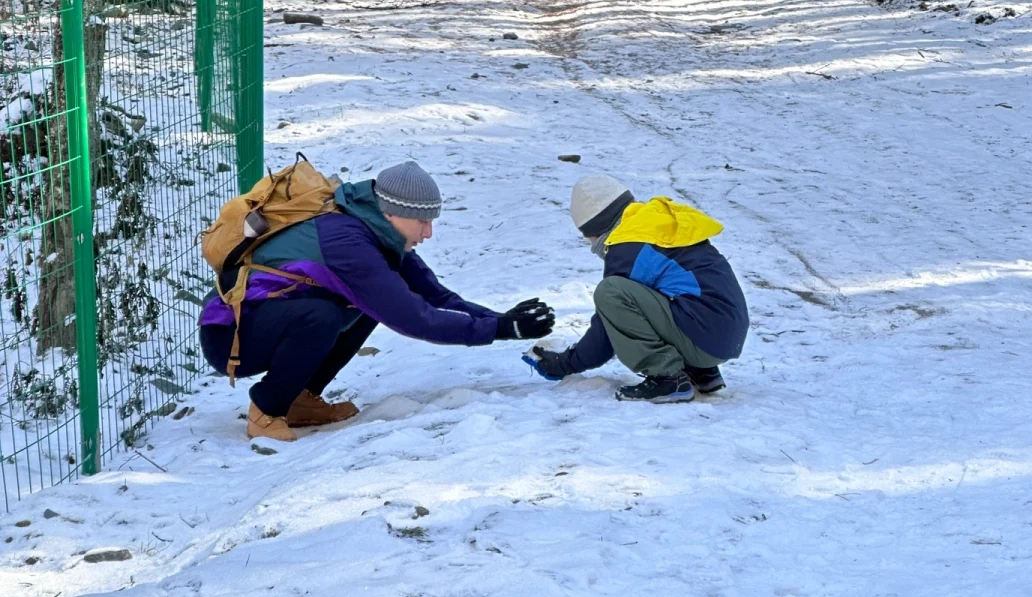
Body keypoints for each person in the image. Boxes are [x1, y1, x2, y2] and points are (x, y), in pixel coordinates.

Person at [200, 160, 554, 441]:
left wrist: (501, 319)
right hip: (231, 334)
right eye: (422, 221)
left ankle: (300, 399)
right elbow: (417, 318)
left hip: (270, 318)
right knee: (323, 315)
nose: (428, 232)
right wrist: (501, 330)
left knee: (364, 306)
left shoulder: (376, 230)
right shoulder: (349, 244)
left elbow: (434, 295)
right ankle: (266, 409)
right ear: (391, 211)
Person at [524, 174, 749, 402]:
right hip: (725, 332)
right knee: (663, 293)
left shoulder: (628, 246)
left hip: (706, 336)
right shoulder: (655, 224)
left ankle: (667, 378)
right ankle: (699, 371)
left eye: (587, 237)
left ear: (596, 229)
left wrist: (562, 364)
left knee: (610, 292)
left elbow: (606, 333)